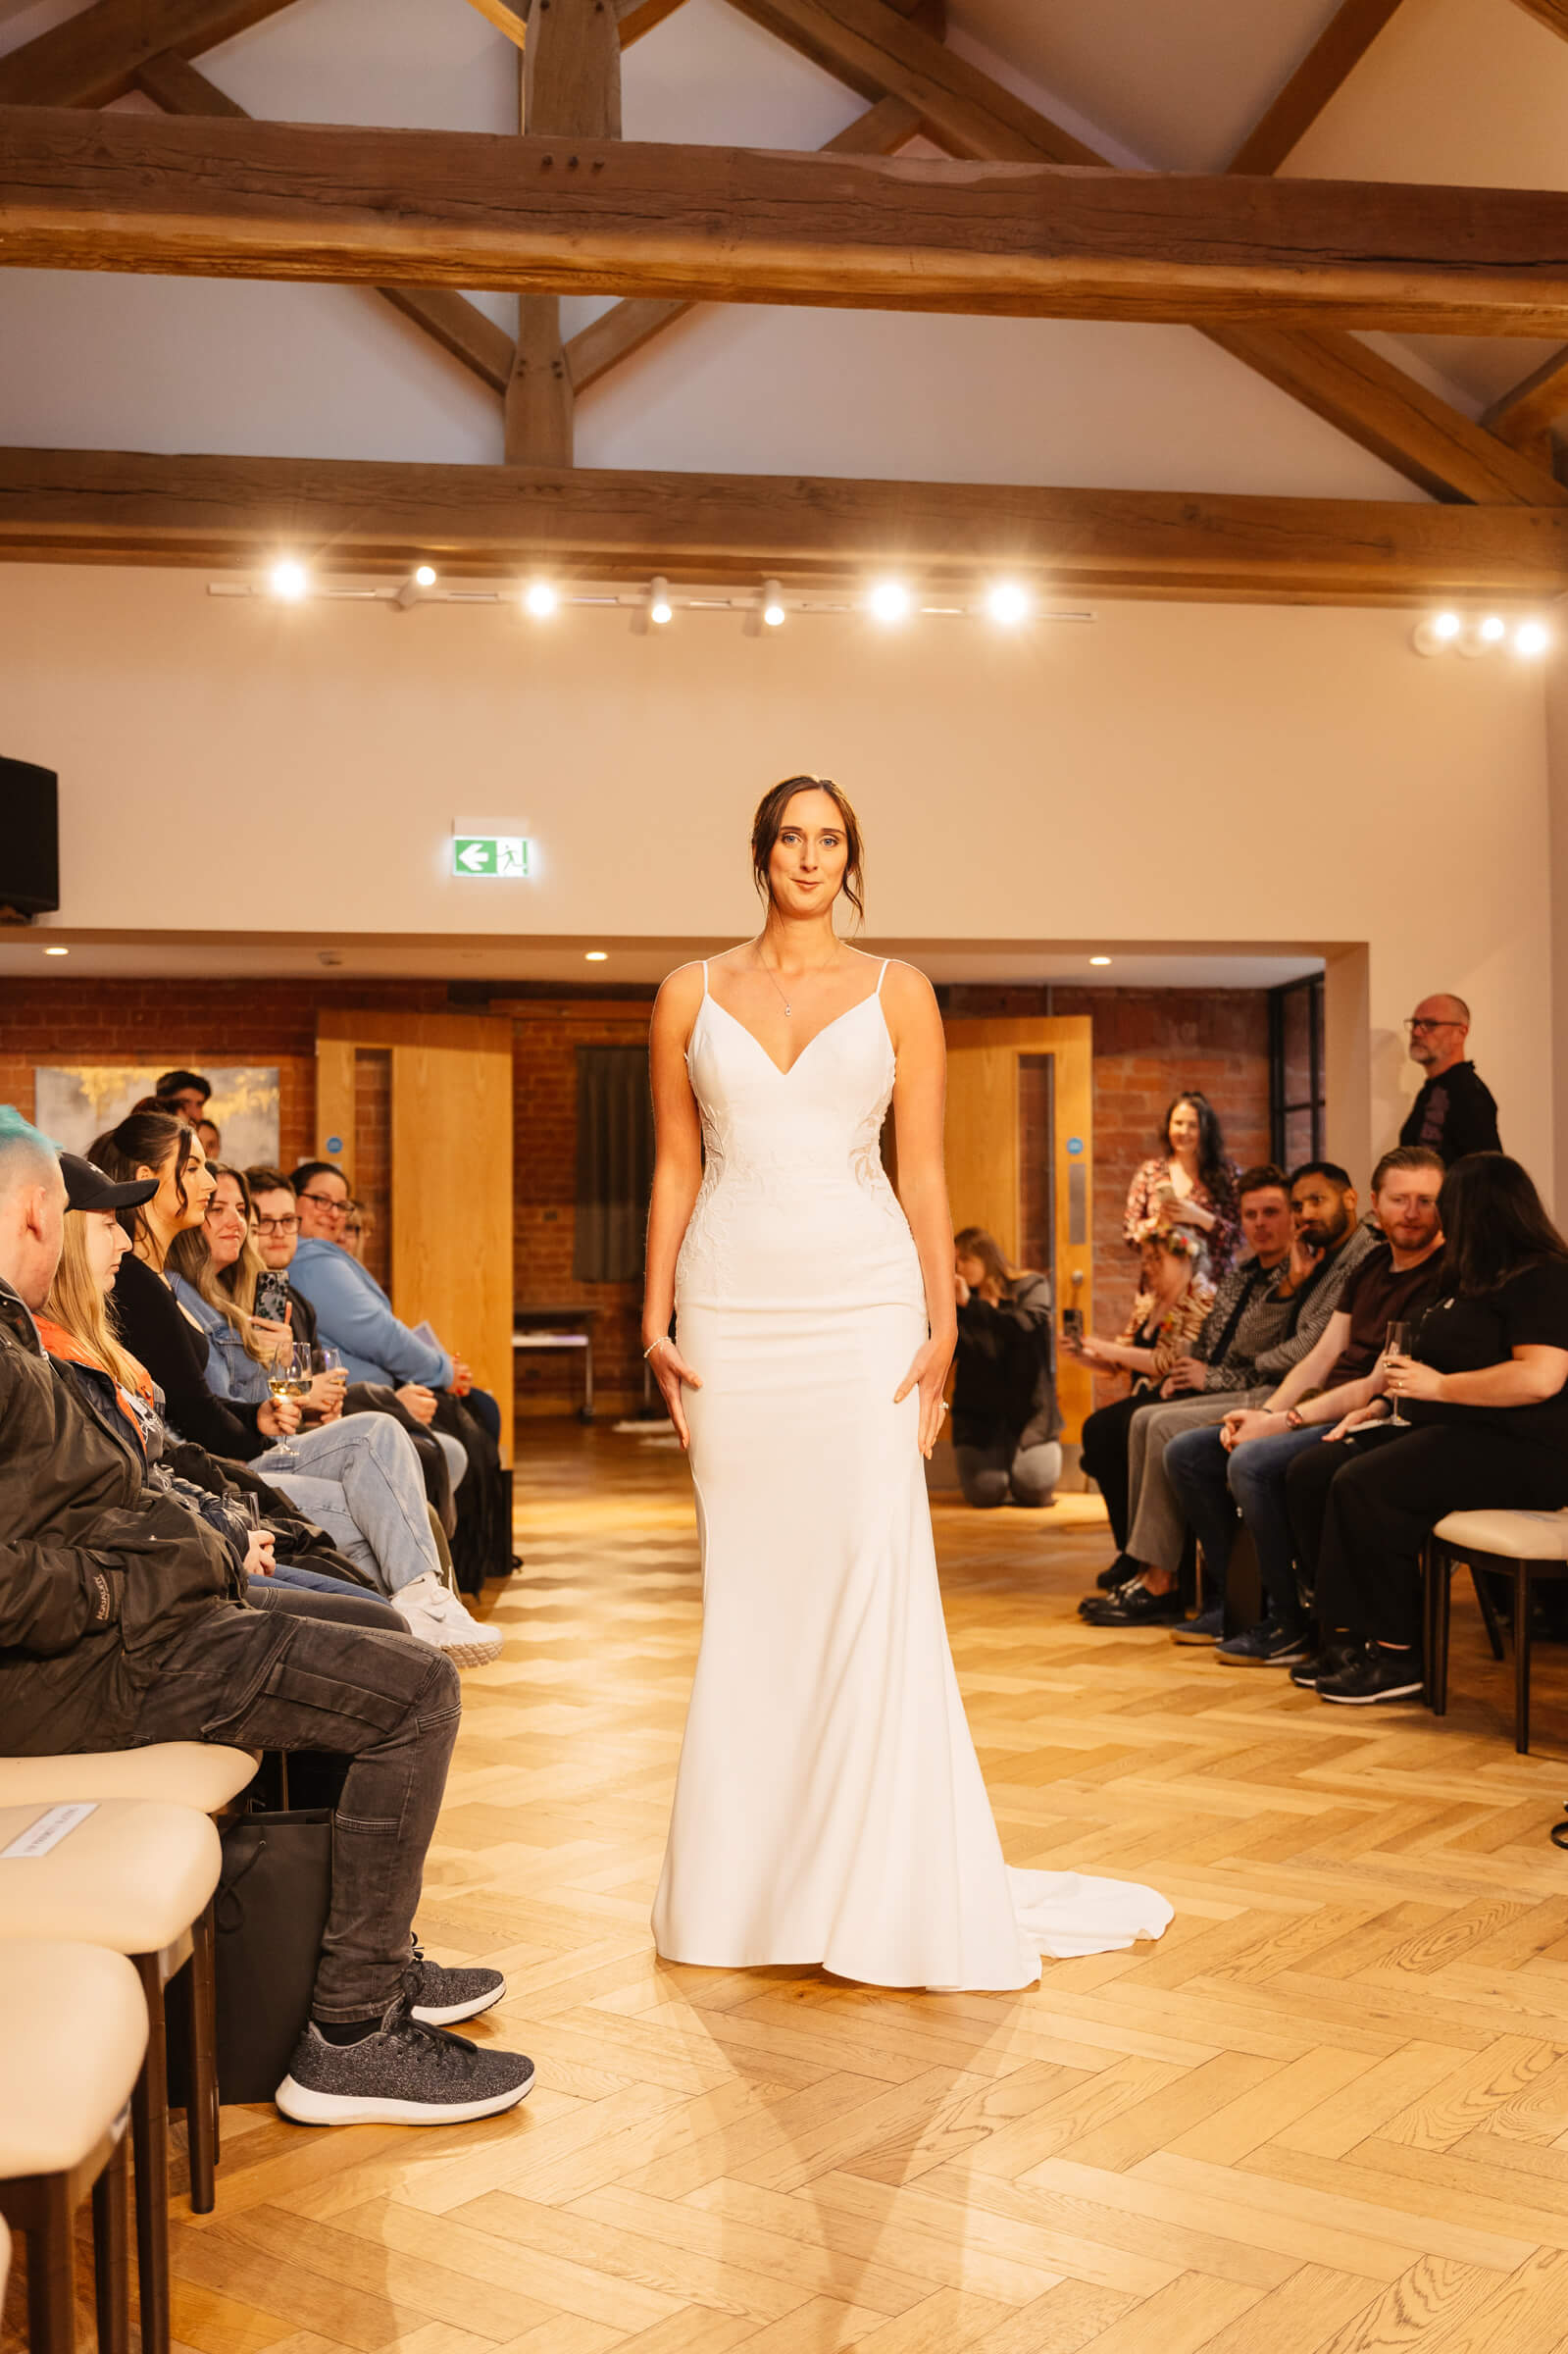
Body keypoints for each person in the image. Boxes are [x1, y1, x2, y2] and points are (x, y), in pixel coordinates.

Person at [640, 774, 1171, 1985]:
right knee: (753, 1589)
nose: (810, 857)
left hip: (863, 1308)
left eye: (831, 840)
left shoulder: (901, 994)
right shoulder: (687, 991)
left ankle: (880, 1877)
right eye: (791, 837)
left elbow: (923, 1174)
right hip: (731, 1305)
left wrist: (941, 1326)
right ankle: (746, 1891)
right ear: (761, 854)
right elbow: (677, 1165)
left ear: (851, 858)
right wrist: (653, 1311)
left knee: (873, 1579)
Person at [0, 1106, 534, 2125]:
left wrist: (186, 1549)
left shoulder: (17, 1336)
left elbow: (127, 1487)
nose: (111, 1236)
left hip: (127, 1640)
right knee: (415, 1690)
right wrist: (146, 1575)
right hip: (93, 1665)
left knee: (385, 1653)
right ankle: (351, 2034)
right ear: (37, 1216)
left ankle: (365, 1977)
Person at [90, 1109, 498, 1664]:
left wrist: (266, 1408)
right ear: (151, 1179)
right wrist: (274, 1409)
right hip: (211, 1465)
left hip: (233, 1444)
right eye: (196, 1173)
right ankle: (399, 1646)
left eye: (255, 1215)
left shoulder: (232, 1286)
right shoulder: (154, 1283)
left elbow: (229, 1393)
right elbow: (196, 1410)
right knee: (379, 1478)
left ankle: (414, 1621)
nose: (219, 1201)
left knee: (405, 1440)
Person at [42, 1154, 404, 1628]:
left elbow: (154, 1471)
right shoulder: (103, 1322)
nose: (240, 1222)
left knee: (389, 1440)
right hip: (194, 1527)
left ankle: (425, 1599)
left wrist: (228, 1514)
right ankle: (420, 1608)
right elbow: (144, 1475)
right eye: (212, 1197)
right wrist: (228, 1531)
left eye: (250, 1213)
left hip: (206, 1504)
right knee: (374, 1584)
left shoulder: (200, 1302)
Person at [1296, 1153, 1568, 1705]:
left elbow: (1539, 1377)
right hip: (1468, 1432)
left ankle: (1400, 1656)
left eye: (1446, 1206)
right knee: (1321, 1468)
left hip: (1529, 1450)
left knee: (1366, 1484)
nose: (1439, 1218)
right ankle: (1346, 1636)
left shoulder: (1542, 1275)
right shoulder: (1471, 1277)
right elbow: (1431, 1368)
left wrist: (1438, 1390)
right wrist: (1382, 1406)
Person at [1165, 1148, 1446, 1661]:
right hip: (1320, 1403)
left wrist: (1280, 1423)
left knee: (1251, 1462)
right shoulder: (1371, 1265)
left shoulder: (1443, 1275)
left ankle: (1289, 1621)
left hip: (1366, 1415)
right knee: (1190, 1452)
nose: (1412, 1212)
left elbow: (1374, 1384)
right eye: (1400, 1199)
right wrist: (1268, 1413)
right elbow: (1323, 1355)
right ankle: (1241, 1605)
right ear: (1376, 1206)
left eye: (1425, 1200)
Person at [1083, 1161, 1376, 1628]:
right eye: (1253, 1214)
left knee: (1158, 1427)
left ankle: (1188, 1586)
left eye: (1280, 1210)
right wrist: (1290, 1287)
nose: (1268, 1223)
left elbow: (1296, 1352)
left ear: (1354, 1199)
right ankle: (1154, 1571)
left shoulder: (1345, 1259)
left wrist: (1225, 1374)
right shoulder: (1267, 1271)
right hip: (1260, 1383)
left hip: (1283, 1391)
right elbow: (1245, 1343)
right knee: (1132, 1423)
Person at [287, 1158, 514, 1589]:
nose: (334, 1214)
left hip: (366, 1396)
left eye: (342, 1205)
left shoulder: (321, 1256)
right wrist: (440, 1370)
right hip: (350, 1403)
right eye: (320, 1200)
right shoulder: (309, 1257)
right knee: (449, 1441)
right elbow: (379, 1334)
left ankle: (434, 1584)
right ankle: (423, 1587)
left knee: (469, 1425)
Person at [246, 1164, 462, 1525]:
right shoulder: (253, 1292)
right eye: (264, 1223)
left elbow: (319, 1375)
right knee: (420, 1450)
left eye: (287, 1222)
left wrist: (327, 1409)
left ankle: (426, 1574)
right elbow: (380, 1336)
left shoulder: (293, 1295)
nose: (278, 1234)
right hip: (267, 1445)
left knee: (441, 1443)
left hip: (313, 1423)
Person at [1072, 1229, 1215, 1580]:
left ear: (1184, 1258)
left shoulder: (1202, 1297)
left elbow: (1169, 1361)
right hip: (1143, 1397)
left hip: (1177, 1394)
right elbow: (1119, 1361)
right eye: (1146, 1259)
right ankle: (1128, 1548)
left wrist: (1106, 1348)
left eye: (1156, 1259)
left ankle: (1143, 1554)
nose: (1148, 1267)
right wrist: (1082, 1354)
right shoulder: (1149, 1303)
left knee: (1107, 1430)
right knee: (1100, 1432)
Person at [950, 1227, 1061, 1508]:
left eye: (962, 1260)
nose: (958, 1269)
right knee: (985, 1494)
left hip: (1029, 1416)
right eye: (953, 1264)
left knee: (1035, 1490)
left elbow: (1023, 1330)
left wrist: (971, 1305)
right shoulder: (958, 1304)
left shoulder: (1032, 1287)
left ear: (983, 1256)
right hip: (979, 1419)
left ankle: (1021, 1460)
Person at [1124, 1093, 1240, 1279]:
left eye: (1192, 1125)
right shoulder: (1150, 1172)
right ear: (1168, 1127)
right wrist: (1157, 1222)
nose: (1183, 1132)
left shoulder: (1227, 1173)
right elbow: (1130, 1235)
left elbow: (1239, 1237)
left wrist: (1199, 1216)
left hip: (1212, 1288)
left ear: (1206, 1130)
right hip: (1162, 1286)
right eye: (1178, 1123)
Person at [1399, 994, 1500, 1162]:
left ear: (1460, 1033)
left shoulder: (1468, 1092)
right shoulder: (1430, 1090)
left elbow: (1487, 1174)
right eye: (1415, 1023)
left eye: (1430, 1025)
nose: (1416, 1032)